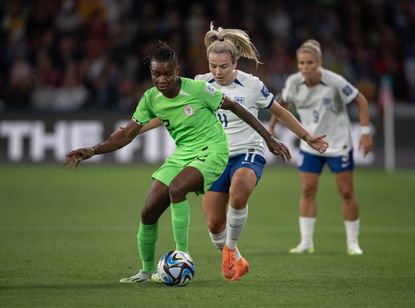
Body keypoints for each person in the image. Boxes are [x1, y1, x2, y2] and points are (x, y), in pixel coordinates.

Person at [64, 42, 291, 283]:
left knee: (177, 189)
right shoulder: (151, 99)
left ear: (177, 71)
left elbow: (235, 107)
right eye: (155, 74)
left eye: (167, 73)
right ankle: (146, 271)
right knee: (148, 211)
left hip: (213, 150)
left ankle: (182, 255)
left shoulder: (198, 89)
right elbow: (126, 134)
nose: (161, 79)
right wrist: (92, 149)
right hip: (183, 154)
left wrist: (268, 137)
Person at [195, 24, 328, 281]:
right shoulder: (200, 84)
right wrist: (138, 127)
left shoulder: (252, 85)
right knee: (214, 226)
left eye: (224, 66)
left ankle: (231, 249)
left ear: (236, 62)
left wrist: (307, 136)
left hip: (249, 150)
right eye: (212, 66)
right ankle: (235, 257)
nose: (218, 71)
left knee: (239, 193)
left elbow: (280, 112)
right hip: (214, 156)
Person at [268, 39, 373, 255]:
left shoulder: (334, 81)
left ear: (319, 63)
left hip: (338, 143)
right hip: (310, 144)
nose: (305, 67)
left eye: (309, 63)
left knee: (346, 192)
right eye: (301, 63)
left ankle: (353, 243)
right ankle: (306, 242)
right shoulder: (294, 82)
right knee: (307, 190)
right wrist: (271, 126)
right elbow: (281, 103)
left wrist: (365, 133)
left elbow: (360, 100)